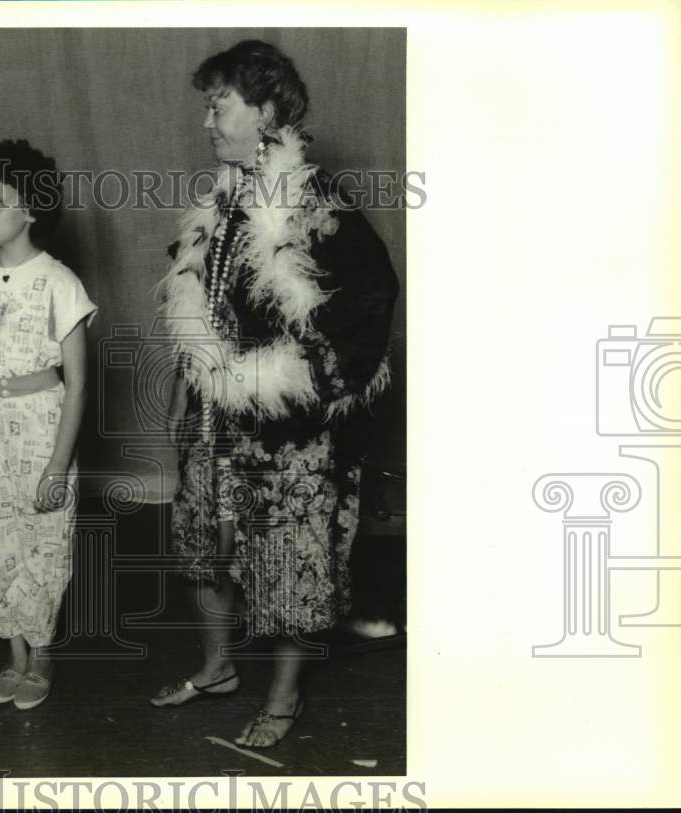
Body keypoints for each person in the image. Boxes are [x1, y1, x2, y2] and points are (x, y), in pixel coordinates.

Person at [152, 40, 399, 748]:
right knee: (204, 546)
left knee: (290, 559)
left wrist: (294, 382)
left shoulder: (315, 202)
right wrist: (188, 383)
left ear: (264, 111)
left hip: (286, 425)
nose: (207, 120)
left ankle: (285, 698)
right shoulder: (216, 206)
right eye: (207, 104)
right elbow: (195, 306)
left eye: (218, 103)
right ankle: (217, 666)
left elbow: (369, 300)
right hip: (212, 416)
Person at [0, 139, 96, 711]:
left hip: (40, 428)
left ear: (31, 210)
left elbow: (78, 383)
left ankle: (44, 653)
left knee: (45, 541)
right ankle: (15, 656)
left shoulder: (59, 282)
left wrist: (58, 463)